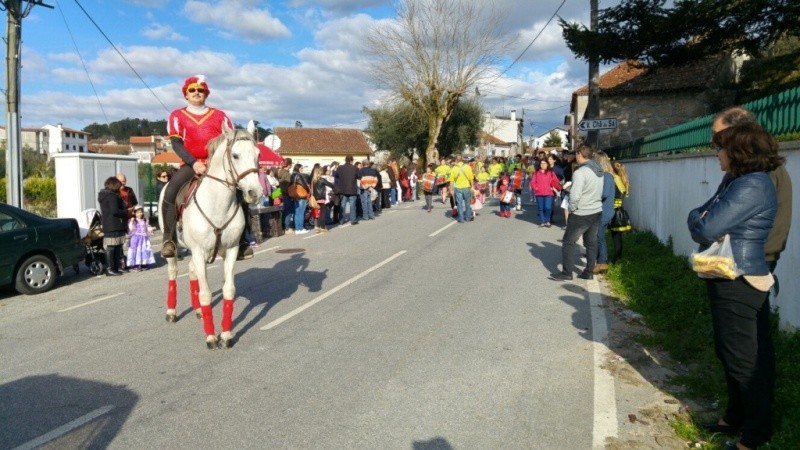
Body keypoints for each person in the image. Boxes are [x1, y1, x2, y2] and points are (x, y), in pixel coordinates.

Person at [687, 122, 782, 450]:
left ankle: (754, 435)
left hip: (739, 278)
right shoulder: (736, 180)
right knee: (730, 352)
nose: (717, 154)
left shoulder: (751, 186)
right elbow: (701, 217)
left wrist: (701, 221)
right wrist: (699, 219)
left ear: (739, 151)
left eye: (721, 147)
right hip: (729, 274)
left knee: (742, 358)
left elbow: (706, 224)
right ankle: (735, 417)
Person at [161, 75, 253, 260]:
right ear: (186, 94)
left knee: (241, 194)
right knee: (171, 191)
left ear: (206, 94)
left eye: (200, 90)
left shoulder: (220, 116)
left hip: (217, 164)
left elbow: (230, 140)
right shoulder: (177, 116)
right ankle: (169, 240)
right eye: (192, 90)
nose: (196, 93)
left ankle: (242, 240)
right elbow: (177, 144)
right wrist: (193, 162)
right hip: (191, 164)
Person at [549, 144, 603, 281]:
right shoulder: (599, 170)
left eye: (576, 155)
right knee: (591, 242)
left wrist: (572, 209)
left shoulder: (580, 172)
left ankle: (567, 273)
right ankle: (589, 271)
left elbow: (575, 196)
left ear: (579, 154)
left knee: (568, 242)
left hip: (581, 212)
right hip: (596, 210)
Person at [97, 176, 128, 276]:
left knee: (117, 246)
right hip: (113, 224)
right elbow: (115, 211)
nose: (120, 188)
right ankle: (110, 268)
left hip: (110, 225)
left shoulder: (104, 195)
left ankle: (116, 267)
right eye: (118, 186)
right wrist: (126, 211)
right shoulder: (111, 196)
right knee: (113, 247)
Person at [592, 151, 616, 273]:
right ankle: (601, 261)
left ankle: (602, 262)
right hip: (604, 211)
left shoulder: (606, 176)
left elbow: (604, 194)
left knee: (599, 237)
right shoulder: (606, 175)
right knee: (599, 236)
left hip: (604, 211)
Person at [529, 157, 562, 227]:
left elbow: (556, 181)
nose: (543, 165)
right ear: (540, 164)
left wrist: (553, 187)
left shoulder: (551, 172)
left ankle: (547, 220)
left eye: (544, 163)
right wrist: (536, 188)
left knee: (548, 207)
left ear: (547, 164)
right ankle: (542, 221)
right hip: (539, 193)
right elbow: (532, 182)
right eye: (541, 163)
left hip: (549, 193)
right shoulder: (536, 173)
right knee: (541, 208)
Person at [609, 160, 630, 263]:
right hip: (620, 209)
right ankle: (618, 257)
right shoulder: (623, 179)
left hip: (614, 210)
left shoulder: (614, 180)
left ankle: (615, 258)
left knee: (615, 236)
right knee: (618, 236)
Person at [126, 205, 156, 271]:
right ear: (134, 213)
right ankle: (136, 265)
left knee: (144, 251)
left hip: (144, 239)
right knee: (136, 251)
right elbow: (131, 228)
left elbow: (147, 227)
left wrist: (151, 229)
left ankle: (143, 263)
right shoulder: (134, 221)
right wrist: (131, 221)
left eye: (141, 212)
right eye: (138, 212)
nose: (140, 214)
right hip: (136, 239)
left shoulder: (145, 220)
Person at [449, 155, 475, 223]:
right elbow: (471, 178)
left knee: (459, 204)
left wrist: (451, 189)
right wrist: (472, 186)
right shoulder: (468, 167)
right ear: (462, 159)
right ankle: (468, 217)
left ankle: (461, 218)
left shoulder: (454, 168)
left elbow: (451, 180)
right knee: (467, 203)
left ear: (456, 160)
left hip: (458, 188)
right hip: (466, 187)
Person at [335, 155, 359, 225]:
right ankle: (353, 220)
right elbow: (359, 176)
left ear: (345, 160)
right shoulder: (355, 168)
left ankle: (341, 220)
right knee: (352, 205)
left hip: (342, 189)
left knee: (343, 205)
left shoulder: (340, 168)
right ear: (351, 160)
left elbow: (336, 176)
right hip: (352, 189)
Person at [290, 164, 311, 234]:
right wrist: (308, 189)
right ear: (298, 168)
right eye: (301, 168)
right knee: (301, 212)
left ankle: (297, 229)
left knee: (297, 212)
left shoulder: (292, 175)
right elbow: (303, 184)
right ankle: (301, 228)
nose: (302, 169)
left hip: (295, 195)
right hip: (301, 195)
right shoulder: (298, 175)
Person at [278, 158, 295, 235]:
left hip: (283, 194)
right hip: (288, 194)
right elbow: (289, 186)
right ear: (289, 165)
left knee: (285, 212)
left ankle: (283, 227)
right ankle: (287, 228)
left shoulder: (280, 172)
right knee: (288, 212)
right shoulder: (287, 174)